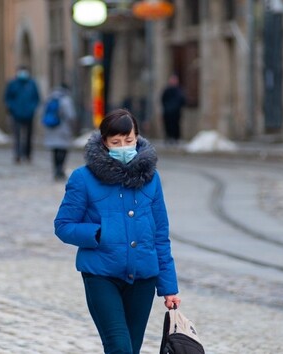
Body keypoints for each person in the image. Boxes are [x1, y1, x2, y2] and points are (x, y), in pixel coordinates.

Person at [54, 109, 180, 354]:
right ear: (104, 142)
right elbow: (63, 225)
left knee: (132, 349)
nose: (123, 146)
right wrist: (98, 234)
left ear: (137, 138)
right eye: (116, 142)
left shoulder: (151, 179)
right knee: (119, 347)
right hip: (101, 275)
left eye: (129, 140)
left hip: (143, 278)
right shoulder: (83, 178)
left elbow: (160, 235)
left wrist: (169, 286)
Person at [3, 66, 41, 163]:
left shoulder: (32, 84)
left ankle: (27, 154)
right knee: (17, 136)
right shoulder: (13, 84)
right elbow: (8, 98)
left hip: (29, 114)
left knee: (29, 136)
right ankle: (18, 154)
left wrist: (32, 108)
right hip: (16, 114)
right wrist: (12, 108)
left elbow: (36, 98)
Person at [43, 84, 77, 181]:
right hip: (63, 129)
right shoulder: (66, 100)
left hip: (51, 129)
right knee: (63, 150)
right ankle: (60, 170)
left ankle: (56, 169)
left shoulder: (50, 98)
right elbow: (70, 115)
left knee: (55, 150)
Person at [160, 74, 186, 144]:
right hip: (168, 112)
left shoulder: (179, 91)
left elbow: (182, 100)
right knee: (168, 125)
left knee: (175, 126)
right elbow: (163, 99)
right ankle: (169, 137)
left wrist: (176, 107)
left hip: (176, 113)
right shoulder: (167, 90)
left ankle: (175, 138)